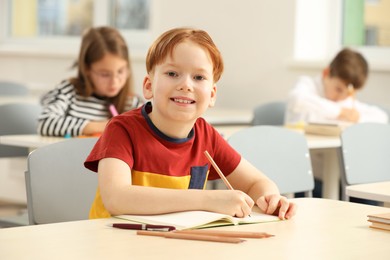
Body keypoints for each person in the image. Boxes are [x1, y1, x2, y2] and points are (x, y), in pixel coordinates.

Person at [84, 27, 296, 220]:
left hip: (176, 244)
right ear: (148, 86)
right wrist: (207, 200)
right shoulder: (121, 129)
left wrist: (271, 199)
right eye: (172, 73)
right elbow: (117, 198)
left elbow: (256, 183)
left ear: (212, 95)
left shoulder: (206, 136)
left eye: (198, 77)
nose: (185, 85)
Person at [37, 26, 142, 137]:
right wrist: (104, 126)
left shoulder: (132, 103)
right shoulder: (68, 92)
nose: (114, 81)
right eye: (105, 74)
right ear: (86, 69)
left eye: (120, 71)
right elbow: (44, 123)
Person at [285, 48, 389, 125]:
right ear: (326, 73)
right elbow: (297, 100)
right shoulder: (307, 85)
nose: (341, 97)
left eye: (348, 93)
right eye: (338, 89)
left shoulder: (345, 101)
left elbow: (381, 117)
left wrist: (358, 117)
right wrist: (339, 112)